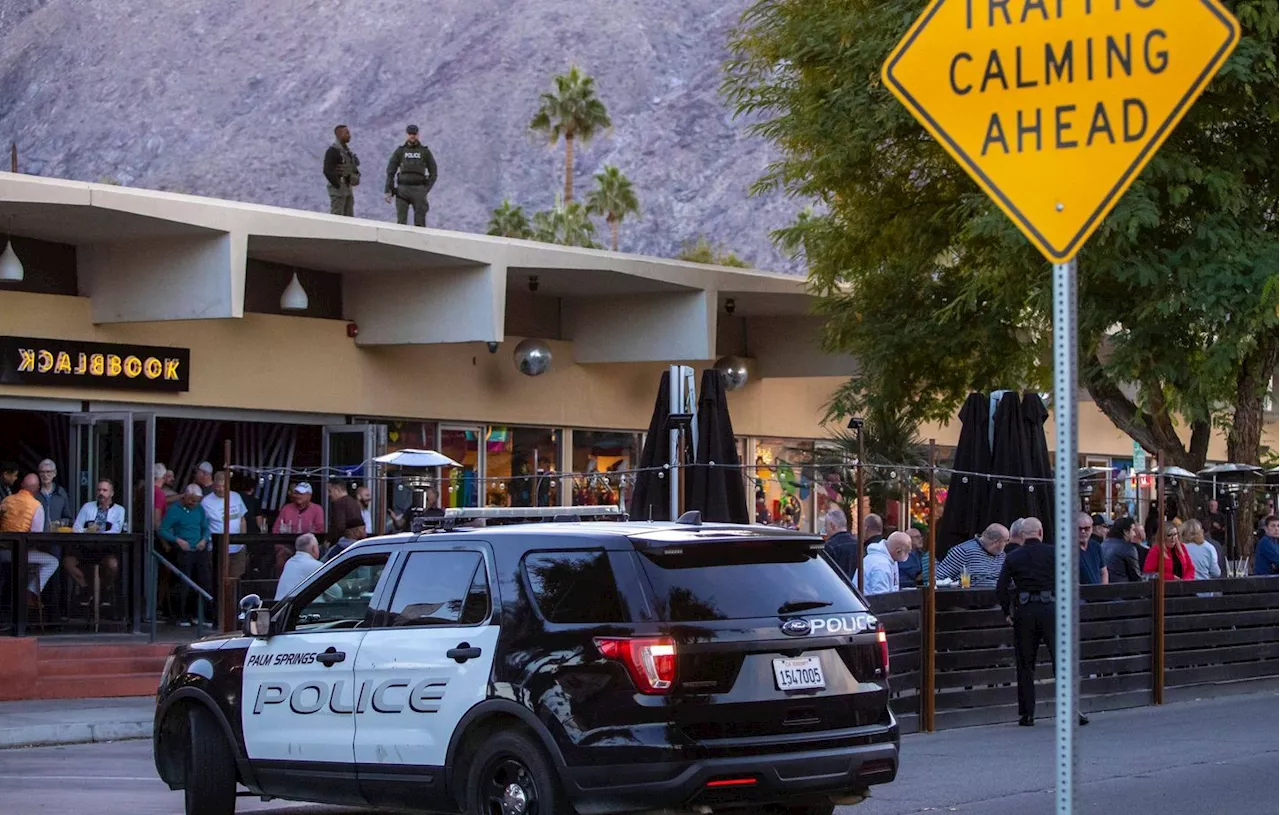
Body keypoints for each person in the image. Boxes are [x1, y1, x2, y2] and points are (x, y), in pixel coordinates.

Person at [995, 517, 1088, 727]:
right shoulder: (1054, 552)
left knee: (1025, 664)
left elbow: (1000, 588)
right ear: (1040, 532)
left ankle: (1027, 714)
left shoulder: (1013, 557)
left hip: (1025, 611)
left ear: (1022, 535)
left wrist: (1007, 612)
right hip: (1052, 610)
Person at [159, 485, 212, 627]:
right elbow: (162, 530)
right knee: (184, 583)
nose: (194, 504)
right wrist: (177, 540)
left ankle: (200, 615)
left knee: (204, 581)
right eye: (192, 500)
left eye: (197, 501)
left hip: (200, 549)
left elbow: (206, 528)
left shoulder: (199, 509)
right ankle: (181, 615)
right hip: (183, 550)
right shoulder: (174, 510)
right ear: (186, 496)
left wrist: (204, 539)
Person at [0, 473, 59, 593]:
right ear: (37, 489)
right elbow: (35, 537)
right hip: (21, 554)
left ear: (21, 485)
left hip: (2, 553)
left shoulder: (6, 500)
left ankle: (21, 594)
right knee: (52, 561)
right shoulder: (36, 506)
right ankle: (29, 593)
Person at [65, 478, 124, 594]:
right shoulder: (87, 507)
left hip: (106, 549)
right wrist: (88, 530)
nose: (101, 493)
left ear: (112, 493)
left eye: (105, 490)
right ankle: (86, 589)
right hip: (85, 549)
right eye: (99, 490)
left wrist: (98, 532)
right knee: (68, 562)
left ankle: (104, 590)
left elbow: (116, 531)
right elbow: (76, 527)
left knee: (113, 565)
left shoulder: (119, 510)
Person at [384, 124, 437, 227]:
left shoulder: (424, 152)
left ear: (418, 135)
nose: (412, 136)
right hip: (402, 190)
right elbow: (390, 171)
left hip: (418, 190)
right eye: (410, 134)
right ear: (407, 135)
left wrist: (426, 189)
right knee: (401, 222)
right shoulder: (400, 151)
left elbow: (434, 172)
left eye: (414, 134)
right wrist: (388, 189)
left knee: (420, 223)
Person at [202, 472, 249, 585]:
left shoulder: (236, 496)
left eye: (224, 486)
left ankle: (233, 602)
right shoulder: (206, 502)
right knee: (220, 581)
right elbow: (203, 525)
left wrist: (243, 542)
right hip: (218, 549)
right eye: (218, 486)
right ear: (213, 484)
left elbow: (242, 519)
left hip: (237, 548)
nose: (221, 489)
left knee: (236, 581)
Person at [936, 523, 1010, 588]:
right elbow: (937, 578)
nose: (1007, 544)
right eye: (1006, 541)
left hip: (998, 601)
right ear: (996, 542)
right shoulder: (963, 552)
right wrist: (956, 585)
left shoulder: (1002, 556)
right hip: (969, 601)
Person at [323, 124, 361, 217]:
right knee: (337, 216)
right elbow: (327, 170)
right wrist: (338, 184)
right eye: (346, 133)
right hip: (338, 190)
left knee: (349, 216)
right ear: (339, 135)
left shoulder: (348, 152)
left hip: (347, 188)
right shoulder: (333, 151)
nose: (349, 135)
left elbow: (353, 168)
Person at [276, 533, 327, 600]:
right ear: (314, 548)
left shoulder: (289, 563)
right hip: (305, 609)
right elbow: (337, 593)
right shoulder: (316, 566)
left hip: (281, 607)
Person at [1102, 517, 1144, 583]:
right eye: (1133, 530)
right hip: (1121, 589)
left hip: (1102, 588)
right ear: (1125, 532)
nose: (1134, 534)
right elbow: (1136, 577)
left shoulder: (1103, 544)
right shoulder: (1128, 548)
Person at [326, 479, 364, 548]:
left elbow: (339, 526)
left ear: (337, 489)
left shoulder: (339, 503)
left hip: (343, 543)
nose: (329, 494)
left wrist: (329, 541)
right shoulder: (353, 502)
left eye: (330, 491)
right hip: (355, 542)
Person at [35, 458, 71, 531]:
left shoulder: (61, 493)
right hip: (36, 536)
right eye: (42, 472)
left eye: (48, 472)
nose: (45, 475)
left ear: (54, 473)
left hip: (55, 537)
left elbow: (69, 518)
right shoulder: (34, 492)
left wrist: (60, 523)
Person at [822, 507, 859, 577]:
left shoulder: (830, 547)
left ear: (832, 526)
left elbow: (825, 575)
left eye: (826, 526)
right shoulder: (857, 544)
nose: (825, 530)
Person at [1077, 511, 1108, 585]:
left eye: (1086, 528)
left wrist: (1104, 591)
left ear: (1092, 529)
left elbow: (1104, 572)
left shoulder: (1096, 546)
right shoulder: (1067, 549)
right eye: (1079, 528)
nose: (1083, 531)